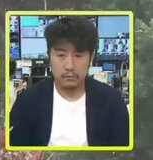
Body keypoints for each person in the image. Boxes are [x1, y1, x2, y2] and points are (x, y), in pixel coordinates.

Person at [9, 16, 129, 147]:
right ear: (49, 55)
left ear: (91, 57)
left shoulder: (112, 102)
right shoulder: (27, 103)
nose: (69, 66)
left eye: (78, 55)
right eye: (61, 55)